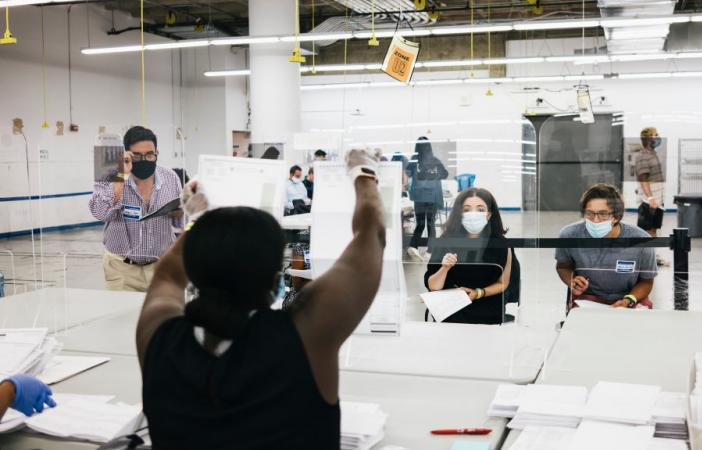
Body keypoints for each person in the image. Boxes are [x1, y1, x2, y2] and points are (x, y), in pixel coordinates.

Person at [136, 149, 385, 449]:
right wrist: (364, 174)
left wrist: (201, 222)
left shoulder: (158, 338)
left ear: (195, 269)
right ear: (275, 277)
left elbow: (168, 275)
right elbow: (371, 233)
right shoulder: (307, 334)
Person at [89, 126, 184, 292]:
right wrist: (120, 178)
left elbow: (180, 221)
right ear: (126, 154)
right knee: (122, 317)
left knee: (161, 317)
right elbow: (100, 212)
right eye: (137, 156)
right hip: (122, 270)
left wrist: (180, 213)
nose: (145, 159)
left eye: (150, 154)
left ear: (157, 153)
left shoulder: (171, 178)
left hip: (161, 268)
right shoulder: (110, 176)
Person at [556, 184, 656, 309]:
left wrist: (628, 300)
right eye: (589, 213)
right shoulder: (569, 235)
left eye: (603, 214)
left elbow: (647, 281)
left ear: (617, 216)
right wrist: (572, 281)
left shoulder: (641, 240)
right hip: (588, 298)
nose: (595, 220)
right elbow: (562, 267)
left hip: (631, 297)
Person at [424, 188, 513, 324]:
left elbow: (503, 283)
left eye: (480, 209)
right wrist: (444, 268)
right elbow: (433, 286)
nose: (473, 214)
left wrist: (478, 293)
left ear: (489, 215)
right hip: (451, 310)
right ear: (460, 213)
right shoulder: (446, 241)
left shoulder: (500, 244)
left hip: (488, 310)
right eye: (467, 209)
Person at [406, 136, 448, 262]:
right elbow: (445, 174)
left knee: (420, 224)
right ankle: (430, 252)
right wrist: (434, 175)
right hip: (432, 197)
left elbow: (407, 173)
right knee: (430, 225)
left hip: (419, 197)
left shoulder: (414, 160)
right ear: (429, 146)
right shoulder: (435, 160)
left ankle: (413, 247)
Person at [635, 127, 669, 267]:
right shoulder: (643, 156)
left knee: (653, 229)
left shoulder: (652, 154)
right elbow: (643, 178)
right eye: (655, 135)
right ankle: (642, 257)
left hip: (657, 200)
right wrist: (650, 198)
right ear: (648, 139)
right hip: (649, 200)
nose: (658, 138)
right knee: (645, 230)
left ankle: (652, 256)